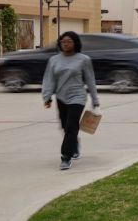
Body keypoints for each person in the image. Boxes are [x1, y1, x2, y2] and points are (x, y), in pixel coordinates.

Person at [42, 31, 100, 170]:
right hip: (61, 97)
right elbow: (49, 79)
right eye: (63, 42)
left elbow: (90, 80)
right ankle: (74, 144)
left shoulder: (84, 59)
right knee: (65, 126)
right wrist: (47, 96)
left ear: (75, 43)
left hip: (78, 97)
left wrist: (95, 100)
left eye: (69, 41)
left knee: (70, 126)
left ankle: (66, 157)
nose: (66, 44)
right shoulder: (54, 60)